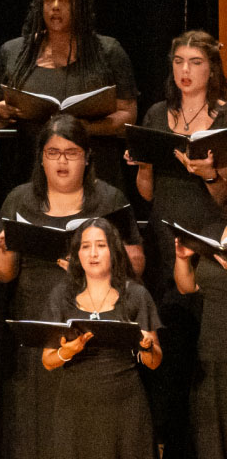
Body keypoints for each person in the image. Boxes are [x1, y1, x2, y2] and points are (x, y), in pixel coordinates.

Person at [0, 114, 143, 459]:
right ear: (40, 157)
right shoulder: (20, 199)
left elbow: (137, 265)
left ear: (87, 157)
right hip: (35, 322)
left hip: (92, 324)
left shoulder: (109, 199)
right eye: (53, 152)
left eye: (71, 153)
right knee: (33, 427)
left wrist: (93, 265)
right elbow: (4, 273)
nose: (61, 161)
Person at [126, 29, 227, 458]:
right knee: (172, 360)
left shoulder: (225, 118)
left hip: (208, 246)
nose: (185, 71)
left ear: (212, 69)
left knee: (209, 358)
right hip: (165, 245)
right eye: (179, 61)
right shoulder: (155, 114)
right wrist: (144, 165)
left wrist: (207, 174)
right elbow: (147, 193)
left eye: (196, 63)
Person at [0, 0, 137, 188]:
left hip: (95, 172)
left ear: (80, 6)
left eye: (65, 0)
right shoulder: (14, 51)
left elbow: (128, 115)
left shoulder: (107, 51)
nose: (55, 6)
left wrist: (87, 128)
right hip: (32, 172)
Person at [41, 219, 161, 458]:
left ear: (113, 251)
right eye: (85, 246)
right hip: (75, 408)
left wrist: (146, 348)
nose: (93, 253)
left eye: (101, 245)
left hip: (125, 408)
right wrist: (68, 351)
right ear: (77, 253)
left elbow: (154, 361)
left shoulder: (136, 295)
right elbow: (47, 361)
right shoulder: (61, 296)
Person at [173, 225, 227, 459]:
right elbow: (187, 287)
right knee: (211, 440)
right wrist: (183, 259)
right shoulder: (216, 230)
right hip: (211, 351)